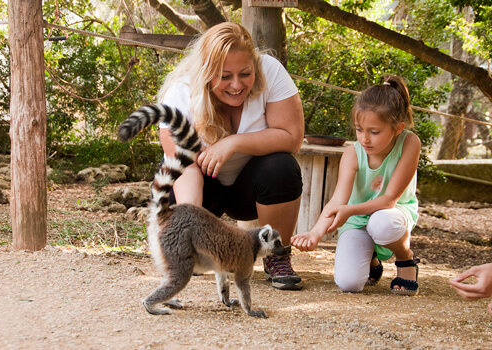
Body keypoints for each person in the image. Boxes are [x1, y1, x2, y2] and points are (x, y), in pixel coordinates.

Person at [156, 22, 305, 290]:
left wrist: (234, 143)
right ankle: (192, 253)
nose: (237, 85)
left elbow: (292, 137)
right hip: (202, 186)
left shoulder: (271, 71)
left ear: (255, 66)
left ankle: (277, 254)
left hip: (251, 190)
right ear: (205, 73)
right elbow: (184, 166)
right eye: (225, 77)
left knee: (282, 166)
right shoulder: (180, 94)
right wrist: (194, 223)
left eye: (245, 73)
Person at [291, 75, 422, 295]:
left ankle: (405, 257)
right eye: (359, 129)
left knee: (382, 223)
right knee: (349, 283)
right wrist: (316, 233)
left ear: (398, 128)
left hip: (391, 214)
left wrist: (349, 210)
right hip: (357, 220)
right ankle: (370, 259)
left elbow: (389, 200)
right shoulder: (353, 153)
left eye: (374, 132)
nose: (364, 139)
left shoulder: (409, 143)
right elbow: (338, 200)